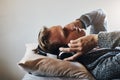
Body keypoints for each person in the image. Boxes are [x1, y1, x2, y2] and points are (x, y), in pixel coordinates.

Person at [35, 9, 120, 79]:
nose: (71, 28)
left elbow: (100, 14)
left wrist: (80, 22)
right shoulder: (100, 68)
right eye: (65, 32)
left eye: (64, 27)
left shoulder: (91, 46)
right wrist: (96, 39)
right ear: (68, 51)